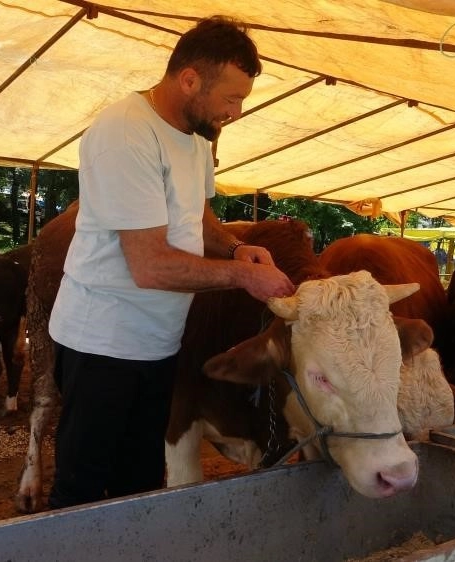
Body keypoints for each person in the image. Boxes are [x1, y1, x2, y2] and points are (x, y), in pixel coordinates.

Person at [47, 16, 295, 509]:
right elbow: (150, 266)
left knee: (140, 480)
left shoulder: (196, 136)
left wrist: (234, 248)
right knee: (80, 488)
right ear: (189, 80)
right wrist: (244, 276)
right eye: (232, 98)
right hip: (103, 343)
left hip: (158, 343)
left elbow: (196, 215)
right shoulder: (125, 133)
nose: (237, 112)